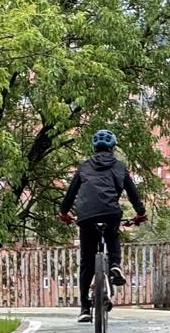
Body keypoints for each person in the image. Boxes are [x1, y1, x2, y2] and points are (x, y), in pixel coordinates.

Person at [59, 128, 147, 323]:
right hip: (110, 213)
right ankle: (115, 265)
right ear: (113, 148)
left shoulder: (84, 167)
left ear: (94, 147)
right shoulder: (119, 167)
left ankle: (84, 308)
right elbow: (133, 194)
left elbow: (70, 194)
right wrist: (140, 213)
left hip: (86, 216)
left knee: (87, 261)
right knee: (112, 234)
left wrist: (64, 213)